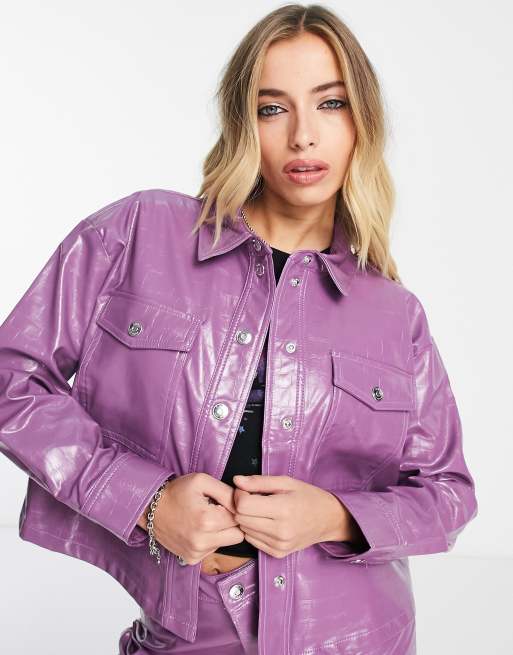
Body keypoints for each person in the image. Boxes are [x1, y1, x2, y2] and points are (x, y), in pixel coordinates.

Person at [0, 4, 478, 654]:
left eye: (330, 103)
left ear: (361, 121)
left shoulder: (395, 312)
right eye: (273, 108)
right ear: (242, 124)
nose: (303, 136)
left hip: (362, 636)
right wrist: (147, 500)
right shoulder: (140, 234)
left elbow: (447, 494)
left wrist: (334, 515)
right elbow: (13, 380)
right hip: (188, 633)